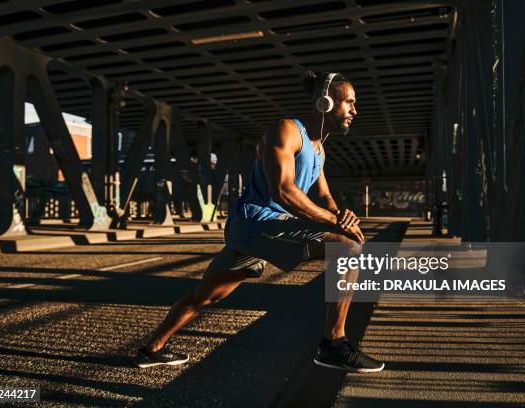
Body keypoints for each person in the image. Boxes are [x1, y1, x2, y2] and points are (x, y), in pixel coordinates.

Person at [136, 71, 384, 373]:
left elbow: (324, 195)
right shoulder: (288, 131)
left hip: (260, 229)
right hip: (256, 222)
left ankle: (151, 349)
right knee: (346, 248)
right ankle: (333, 344)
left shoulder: (319, 150)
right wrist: (336, 223)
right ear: (326, 102)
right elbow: (284, 191)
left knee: (206, 297)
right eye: (350, 103)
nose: (355, 111)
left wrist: (340, 215)